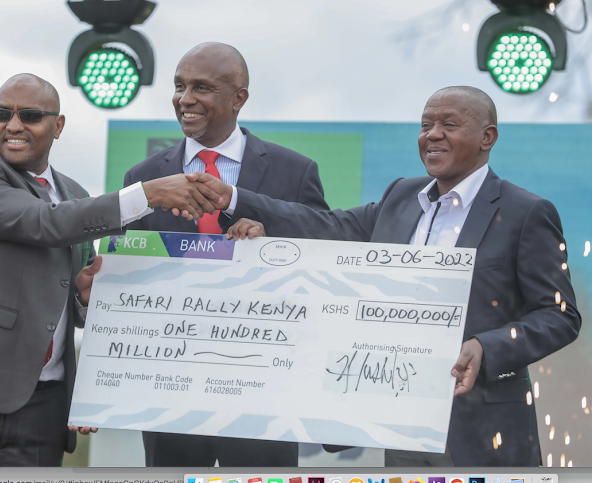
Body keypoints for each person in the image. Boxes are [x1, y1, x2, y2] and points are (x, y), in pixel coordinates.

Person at [187, 86, 581, 466]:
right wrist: (234, 198)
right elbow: (324, 225)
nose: (433, 135)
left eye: (449, 124)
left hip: (483, 427)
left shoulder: (525, 212)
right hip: (402, 424)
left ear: (487, 137)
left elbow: (559, 315)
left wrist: (486, 346)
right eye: (426, 125)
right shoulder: (401, 197)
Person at [0, 73, 219, 467]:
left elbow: (63, 294)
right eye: (2, 113)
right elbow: (41, 222)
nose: (13, 125)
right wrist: (147, 195)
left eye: (30, 115)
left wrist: (83, 298)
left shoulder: (74, 194)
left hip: (44, 407)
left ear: (58, 126)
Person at [122, 42, 329, 467]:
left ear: (239, 98)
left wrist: (271, 247)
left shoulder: (296, 172)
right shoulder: (142, 178)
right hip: (170, 394)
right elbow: (125, 277)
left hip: (264, 392)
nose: (184, 99)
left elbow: (321, 267)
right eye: (179, 86)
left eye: (201, 87)